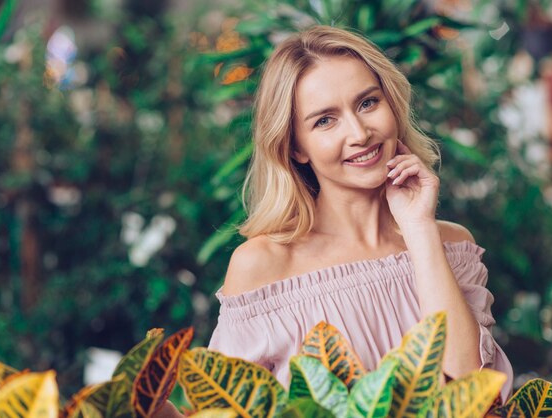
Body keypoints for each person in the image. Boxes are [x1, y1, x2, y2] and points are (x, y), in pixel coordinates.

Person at [208, 24, 514, 401]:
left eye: (368, 103)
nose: (359, 133)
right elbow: (223, 408)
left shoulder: (452, 246)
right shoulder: (265, 267)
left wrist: (419, 229)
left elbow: (473, 396)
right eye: (324, 120)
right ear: (296, 147)